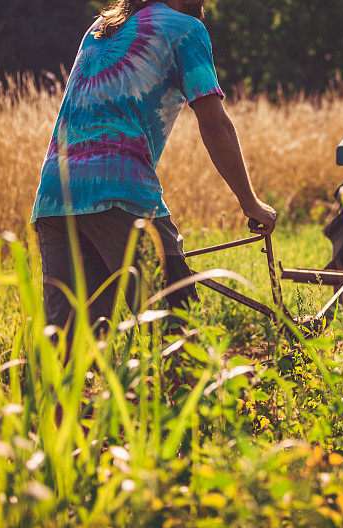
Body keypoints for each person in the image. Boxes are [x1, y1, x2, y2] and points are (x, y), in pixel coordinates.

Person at [31, 0, 277, 339]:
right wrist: (251, 204)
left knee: (66, 345)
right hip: (121, 193)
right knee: (177, 332)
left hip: (56, 196)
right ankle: (186, 390)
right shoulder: (185, 29)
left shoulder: (102, 27)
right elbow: (214, 122)